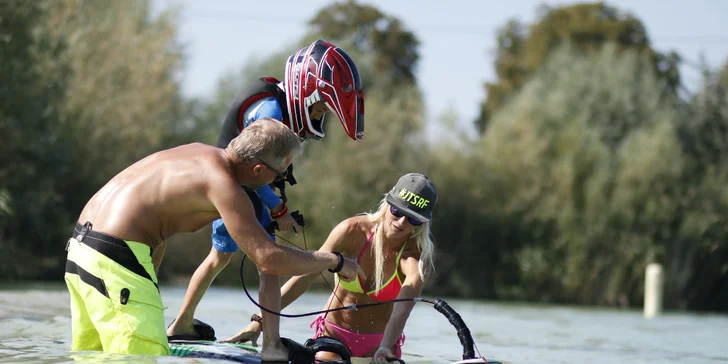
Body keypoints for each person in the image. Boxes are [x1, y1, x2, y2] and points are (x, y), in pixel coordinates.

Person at [63, 118, 365, 360]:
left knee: (95, 357)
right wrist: (335, 261)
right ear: (259, 169)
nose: (277, 182)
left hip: (80, 248)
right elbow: (269, 259)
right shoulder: (224, 186)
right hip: (116, 258)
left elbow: (154, 222)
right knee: (141, 358)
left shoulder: (198, 152)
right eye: (278, 175)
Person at [166, 39, 365, 344]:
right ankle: (271, 344)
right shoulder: (270, 111)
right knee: (269, 265)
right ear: (304, 92)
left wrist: (278, 206)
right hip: (236, 188)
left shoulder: (281, 107)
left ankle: (181, 323)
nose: (319, 115)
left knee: (219, 259)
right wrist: (278, 209)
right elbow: (253, 168)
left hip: (245, 187)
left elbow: (262, 173)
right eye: (322, 107)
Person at [226, 173, 438, 363]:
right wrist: (259, 322)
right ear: (387, 203)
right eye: (397, 211)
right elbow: (304, 278)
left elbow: (403, 309)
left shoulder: (415, 260)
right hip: (334, 336)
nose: (401, 222)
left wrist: (385, 347)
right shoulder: (351, 231)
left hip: (381, 346)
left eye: (413, 219)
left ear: (422, 223)